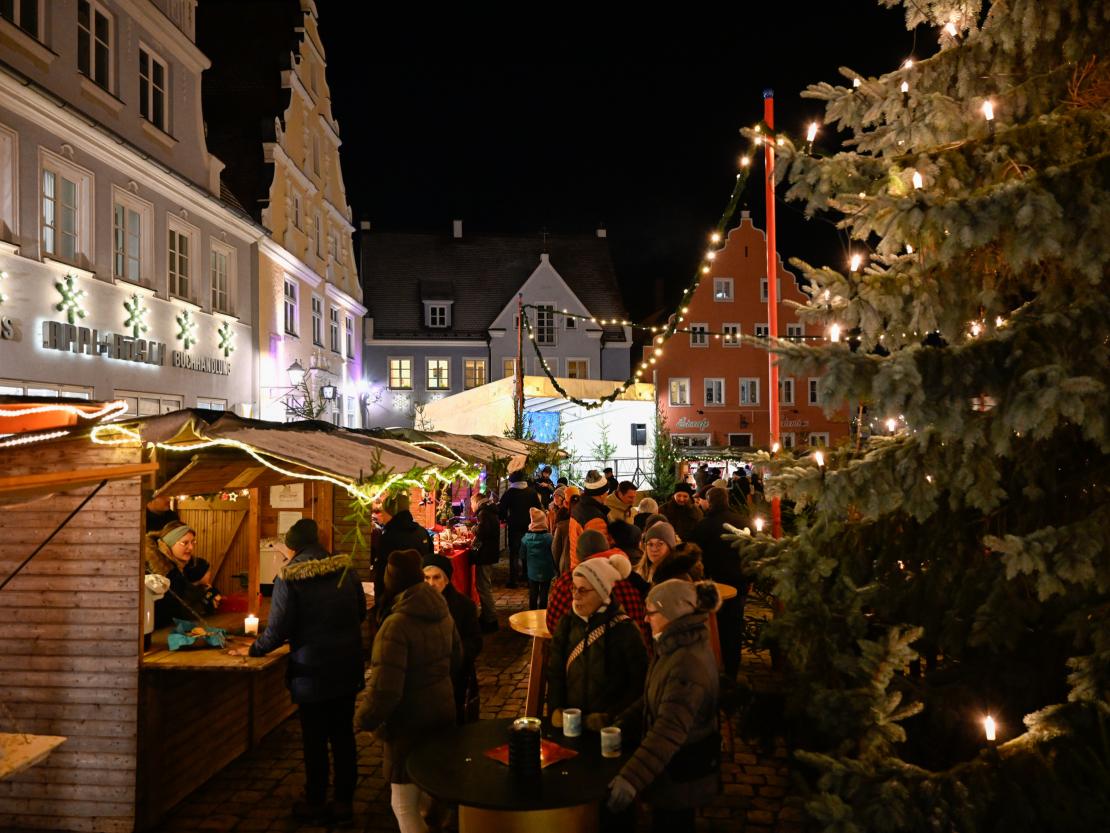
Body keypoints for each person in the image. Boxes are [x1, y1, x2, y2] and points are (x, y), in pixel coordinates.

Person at [239, 519, 366, 826]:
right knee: (343, 734)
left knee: (314, 738)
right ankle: (344, 801)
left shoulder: (290, 577)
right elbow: (361, 611)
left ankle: (316, 799)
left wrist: (254, 649)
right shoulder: (346, 570)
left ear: (293, 547)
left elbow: (278, 627)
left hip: (312, 671)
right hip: (347, 665)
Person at [607, 580, 722, 833]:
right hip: (672, 770)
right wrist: (620, 723)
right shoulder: (673, 646)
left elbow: (668, 730)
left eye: (650, 613)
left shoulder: (686, 664)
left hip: (682, 775)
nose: (645, 620)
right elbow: (653, 697)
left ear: (671, 614)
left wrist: (630, 778)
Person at [357, 549, 460, 833]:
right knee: (427, 792)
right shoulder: (441, 610)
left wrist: (364, 719)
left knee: (403, 804)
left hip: (407, 724)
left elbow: (385, 689)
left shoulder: (396, 624)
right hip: (441, 712)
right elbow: (457, 659)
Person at [547, 553, 648, 733]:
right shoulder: (567, 624)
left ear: (602, 592)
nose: (576, 596)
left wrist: (611, 717)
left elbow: (639, 682)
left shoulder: (624, 629)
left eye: (583, 590)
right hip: (572, 724)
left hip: (609, 728)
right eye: (574, 589)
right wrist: (556, 708)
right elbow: (555, 672)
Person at [548, 530, 649, 647]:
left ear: (578, 554)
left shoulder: (567, 582)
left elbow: (553, 624)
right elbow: (642, 625)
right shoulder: (629, 580)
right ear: (608, 549)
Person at [689, 487, 749, 680]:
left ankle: (714, 666)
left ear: (709, 501)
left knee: (714, 626)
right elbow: (752, 553)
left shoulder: (704, 525)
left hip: (713, 584)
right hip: (739, 583)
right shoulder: (743, 522)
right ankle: (732, 668)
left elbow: (693, 553)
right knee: (734, 625)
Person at [422, 553, 483, 723]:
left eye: (436, 578)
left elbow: (475, 641)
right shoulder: (416, 606)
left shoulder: (464, 606)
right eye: (426, 578)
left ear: (447, 579)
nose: (431, 584)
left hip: (455, 679)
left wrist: (457, 657)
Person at [145, 521, 221, 628]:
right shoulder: (161, 572)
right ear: (169, 543)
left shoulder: (183, 565)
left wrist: (207, 593)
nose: (190, 548)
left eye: (193, 542)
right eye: (184, 543)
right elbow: (177, 609)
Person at [374, 492, 432, 616]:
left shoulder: (388, 538)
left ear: (392, 514)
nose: (382, 517)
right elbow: (429, 563)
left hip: (396, 602)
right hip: (420, 596)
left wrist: (379, 604)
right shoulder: (422, 532)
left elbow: (381, 573)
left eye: (383, 512)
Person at [499, 470, 542, 588]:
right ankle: (528, 578)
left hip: (514, 527)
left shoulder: (509, 492)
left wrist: (505, 518)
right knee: (528, 552)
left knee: (514, 553)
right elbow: (538, 509)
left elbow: (501, 509)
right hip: (529, 527)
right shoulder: (532, 492)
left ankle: (513, 580)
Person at [469, 492, 501, 632]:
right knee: (484, 585)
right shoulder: (490, 510)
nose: (471, 507)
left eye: (471, 504)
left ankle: (490, 619)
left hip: (485, 554)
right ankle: (487, 616)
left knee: (483, 587)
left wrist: (473, 528)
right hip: (489, 553)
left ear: (476, 502)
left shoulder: (484, 513)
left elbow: (482, 532)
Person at [637, 522, 704, 586]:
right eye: (650, 544)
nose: (654, 548)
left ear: (670, 547)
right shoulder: (642, 572)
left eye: (660, 544)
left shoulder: (678, 575)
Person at [569, 470, 611, 569]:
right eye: (607, 492)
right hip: (590, 572)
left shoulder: (577, 508)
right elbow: (599, 553)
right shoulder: (595, 518)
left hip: (576, 565)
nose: (607, 495)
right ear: (601, 494)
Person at [520, 507, 556, 609]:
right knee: (544, 593)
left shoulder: (526, 538)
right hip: (547, 570)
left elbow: (522, 555)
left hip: (532, 570)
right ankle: (542, 612)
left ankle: (532, 611)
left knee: (533, 592)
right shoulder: (549, 538)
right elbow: (554, 553)